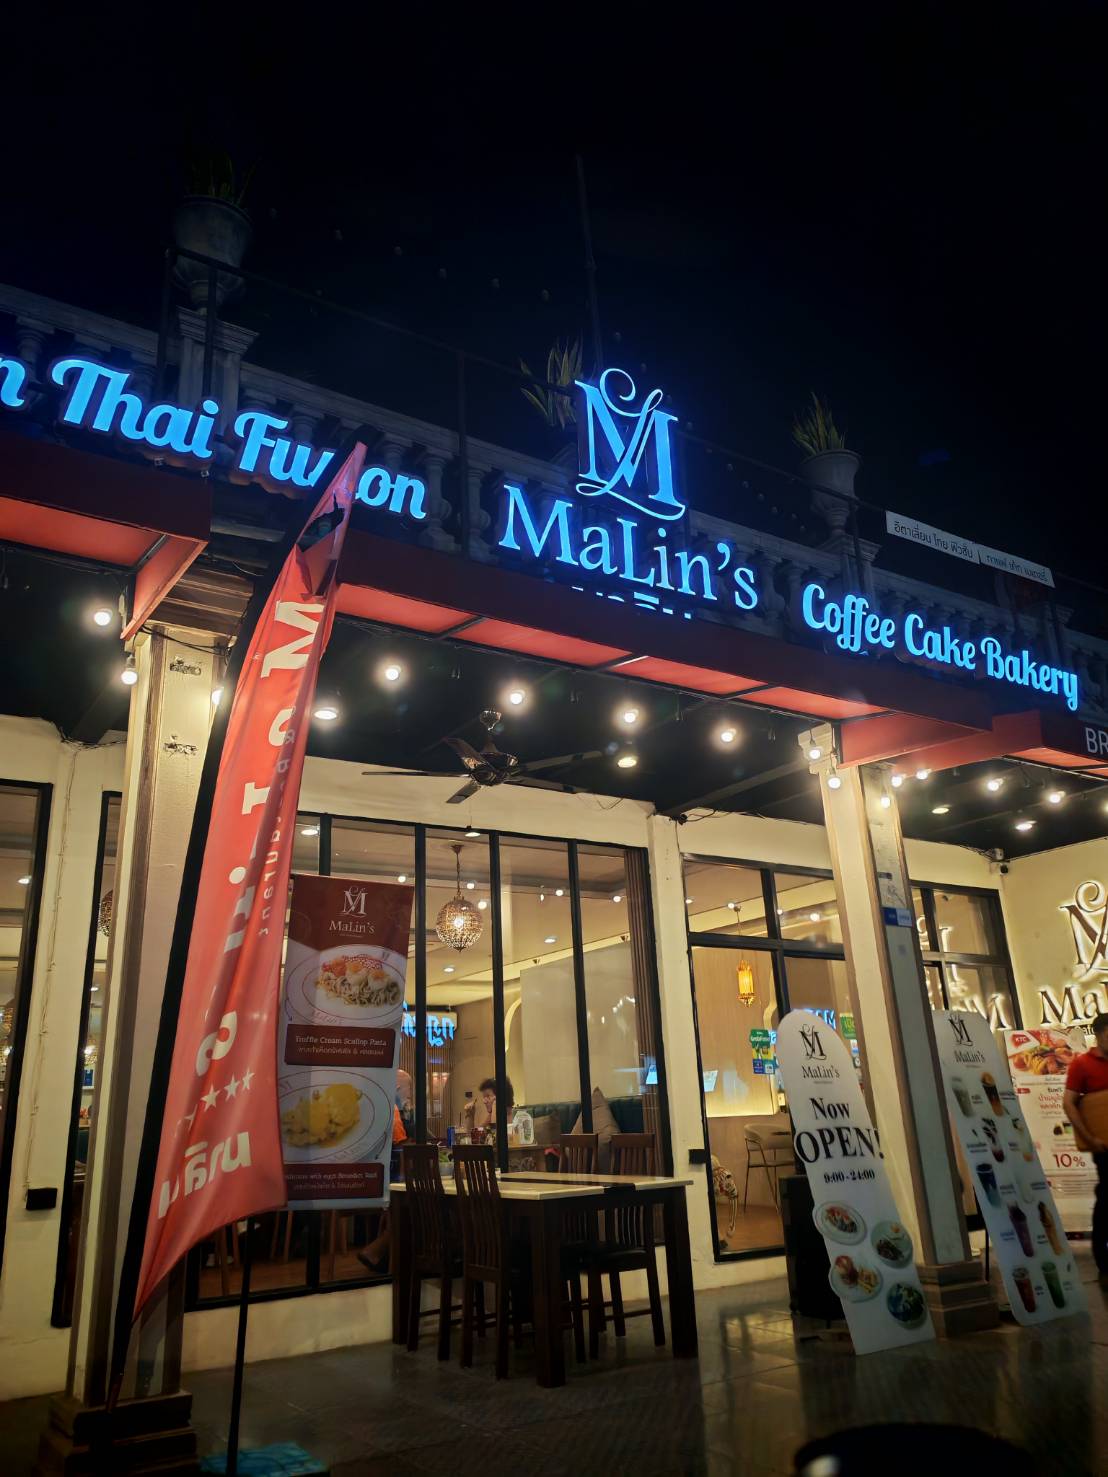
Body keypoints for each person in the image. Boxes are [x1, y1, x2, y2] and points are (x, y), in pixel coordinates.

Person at [1063, 1012, 1108, 1276]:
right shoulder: (1082, 1065)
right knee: (1107, 1198)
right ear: (1099, 1034)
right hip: (1103, 1145)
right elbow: (1069, 1103)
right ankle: (1102, 1256)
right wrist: (1090, 1138)